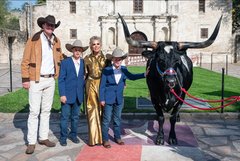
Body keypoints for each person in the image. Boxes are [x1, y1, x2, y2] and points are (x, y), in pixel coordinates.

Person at [21, 15, 65, 154]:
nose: (50, 27)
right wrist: (25, 79)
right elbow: (25, 61)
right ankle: (31, 142)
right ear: (43, 25)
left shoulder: (56, 40)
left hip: (50, 79)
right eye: (48, 25)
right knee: (34, 112)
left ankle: (43, 137)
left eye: (52, 25)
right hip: (36, 79)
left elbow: (60, 57)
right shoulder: (33, 40)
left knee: (46, 111)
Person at [99, 47, 149, 148]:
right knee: (106, 120)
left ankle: (117, 137)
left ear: (122, 60)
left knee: (117, 119)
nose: (118, 61)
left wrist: (144, 74)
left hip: (119, 99)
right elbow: (102, 86)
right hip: (108, 99)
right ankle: (105, 139)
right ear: (112, 59)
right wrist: (102, 99)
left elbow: (132, 77)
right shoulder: (106, 70)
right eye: (116, 59)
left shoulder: (124, 69)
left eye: (120, 59)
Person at [58, 40, 88, 146]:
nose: (77, 51)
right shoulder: (65, 62)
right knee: (65, 117)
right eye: (76, 49)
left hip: (78, 95)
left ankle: (73, 135)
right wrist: (62, 94)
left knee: (75, 117)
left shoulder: (84, 63)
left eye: (79, 50)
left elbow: (84, 78)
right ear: (72, 50)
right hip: (67, 95)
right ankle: (63, 137)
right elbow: (61, 79)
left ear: (81, 51)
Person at [84, 36, 109, 146]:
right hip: (90, 84)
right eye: (93, 44)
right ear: (90, 46)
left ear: (101, 45)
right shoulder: (86, 59)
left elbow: (111, 73)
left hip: (102, 84)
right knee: (92, 110)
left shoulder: (106, 59)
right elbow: (84, 74)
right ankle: (94, 138)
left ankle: (104, 138)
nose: (96, 46)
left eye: (98, 44)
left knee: (104, 111)